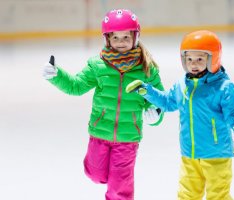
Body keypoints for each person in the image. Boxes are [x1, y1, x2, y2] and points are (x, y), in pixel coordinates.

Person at [42, 9, 164, 200]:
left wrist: (156, 112)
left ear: (136, 37)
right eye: (115, 37)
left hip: (128, 137)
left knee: (119, 188)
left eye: (126, 37)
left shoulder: (146, 69)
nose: (121, 42)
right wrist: (57, 75)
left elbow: (159, 99)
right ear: (107, 39)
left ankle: (117, 185)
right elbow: (76, 86)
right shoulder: (97, 66)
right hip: (99, 133)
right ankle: (111, 178)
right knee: (95, 174)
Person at [126, 30, 234, 200]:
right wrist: (147, 91)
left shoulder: (224, 87)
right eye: (189, 59)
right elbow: (167, 102)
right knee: (187, 195)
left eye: (200, 59)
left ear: (213, 59)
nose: (193, 64)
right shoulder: (182, 85)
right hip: (190, 155)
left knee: (218, 196)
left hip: (216, 155)